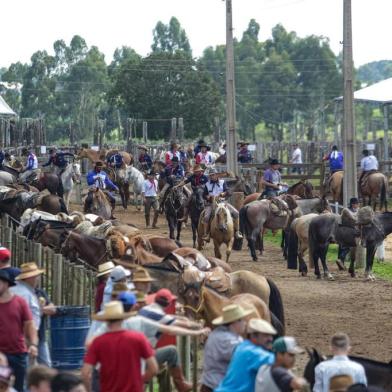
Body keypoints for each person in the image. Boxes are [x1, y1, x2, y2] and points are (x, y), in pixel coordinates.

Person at [82, 301, 158, 392]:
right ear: (123, 318)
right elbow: (154, 369)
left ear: (105, 320)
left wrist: (88, 389)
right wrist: (139, 381)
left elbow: (85, 373)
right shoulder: (138, 338)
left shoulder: (98, 342)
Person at [0, 270, 38, 392]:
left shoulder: (20, 302)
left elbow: (30, 325)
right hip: (0, 355)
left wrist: (33, 344)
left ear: (6, 284)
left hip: (18, 353)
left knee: (19, 387)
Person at [215, 318, 277, 392]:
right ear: (254, 336)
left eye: (270, 335)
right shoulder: (252, 352)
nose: (270, 339)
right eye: (266, 335)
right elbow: (279, 362)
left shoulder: (243, 346)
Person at [200, 304, 252, 392]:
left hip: (209, 384)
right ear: (234, 322)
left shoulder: (216, 333)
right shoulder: (228, 340)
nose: (245, 323)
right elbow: (244, 358)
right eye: (242, 320)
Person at [202, 169, 242, 241]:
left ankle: (237, 232)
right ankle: (206, 234)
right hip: (211, 204)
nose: (211, 176)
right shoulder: (207, 184)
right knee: (206, 217)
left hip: (223, 203)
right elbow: (204, 195)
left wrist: (224, 193)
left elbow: (227, 191)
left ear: (216, 175)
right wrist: (208, 197)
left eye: (213, 175)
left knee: (236, 213)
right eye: (210, 175)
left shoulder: (222, 182)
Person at [34, 287, 57, 367]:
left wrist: (39, 309)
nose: (38, 277)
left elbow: (53, 309)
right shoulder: (20, 292)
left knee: (46, 364)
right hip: (24, 338)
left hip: (40, 336)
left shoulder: (40, 292)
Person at [336, 198, 359, 271]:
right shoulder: (346, 210)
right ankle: (340, 259)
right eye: (357, 204)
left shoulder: (354, 210)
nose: (358, 205)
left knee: (343, 247)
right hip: (347, 230)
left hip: (347, 230)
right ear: (353, 204)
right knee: (349, 246)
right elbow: (354, 218)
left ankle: (341, 263)